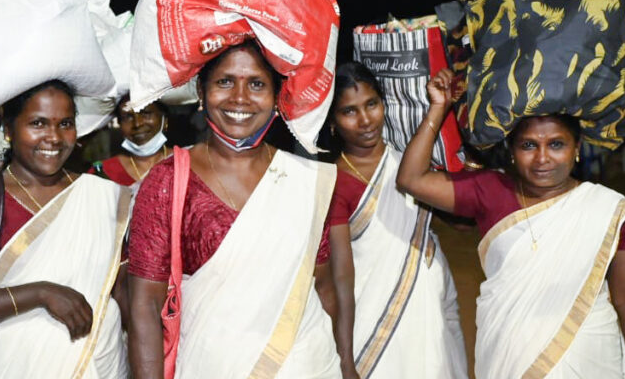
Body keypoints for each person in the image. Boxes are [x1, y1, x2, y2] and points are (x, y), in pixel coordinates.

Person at [396, 68, 625, 379]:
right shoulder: (491, 190)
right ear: (511, 151)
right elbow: (411, 179)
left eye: (556, 145)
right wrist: (438, 107)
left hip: (589, 356)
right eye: (529, 145)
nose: (542, 158)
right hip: (510, 356)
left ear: (576, 150)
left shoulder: (607, 210)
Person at [127, 40, 348, 379]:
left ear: (278, 97)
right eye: (225, 81)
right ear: (202, 91)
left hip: (308, 365)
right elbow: (144, 303)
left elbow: (323, 287)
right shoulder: (168, 181)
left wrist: (345, 365)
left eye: (257, 84)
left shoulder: (306, 180)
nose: (240, 98)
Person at [0, 79, 131, 378]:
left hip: (102, 363)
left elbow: (123, 293)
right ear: (9, 130)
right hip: (15, 365)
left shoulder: (100, 195)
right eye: (38, 123)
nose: (53, 137)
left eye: (65, 123)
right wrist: (40, 293)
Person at [325, 62, 467, 378]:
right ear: (332, 123)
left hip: (431, 303)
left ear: (384, 104)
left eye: (372, 104)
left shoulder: (409, 160)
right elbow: (342, 279)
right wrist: (345, 360)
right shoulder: (334, 182)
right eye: (349, 111)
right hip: (373, 319)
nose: (365, 120)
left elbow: (462, 221)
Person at [90, 94, 172, 187]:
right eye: (127, 117)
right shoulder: (104, 172)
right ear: (119, 125)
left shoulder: (185, 161)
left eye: (146, 113)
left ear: (164, 120)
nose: (137, 124)